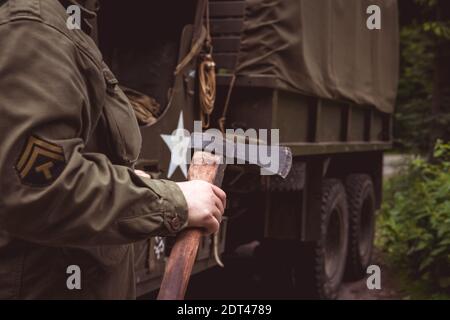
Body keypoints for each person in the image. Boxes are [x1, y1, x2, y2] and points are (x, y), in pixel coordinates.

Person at [0, 0, 225, 299]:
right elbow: (40, 188)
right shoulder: (35, 26)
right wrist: (176, 202)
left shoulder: (65, 20)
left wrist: (129, 179)